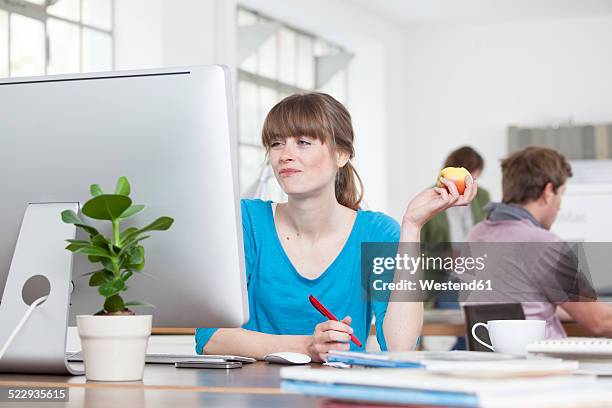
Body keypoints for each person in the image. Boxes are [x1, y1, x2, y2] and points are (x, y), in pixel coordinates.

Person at [196, 93, 477, 361]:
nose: (285, 155)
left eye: (303, 142)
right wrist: (307, 346)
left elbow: (399, 346)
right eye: (277, 143)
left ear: (341, 154)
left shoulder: (377, 233)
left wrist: (412, 227)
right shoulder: (247, 221)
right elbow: (209, 336)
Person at [467, 146, 612, 338]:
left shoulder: (475, 236)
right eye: (561, 194)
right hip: (542, 363)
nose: (559, 206)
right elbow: (600, 321)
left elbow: (523, 308)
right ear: (548, 191)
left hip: (491, 363)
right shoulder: (542, 243)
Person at [421, 146, 490, 244]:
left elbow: (487, 232)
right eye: (469, 175)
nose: (470, 184)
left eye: (474, 178)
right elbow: (420, 245)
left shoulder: (482, 196)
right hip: (441, 259)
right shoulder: (432, 196)